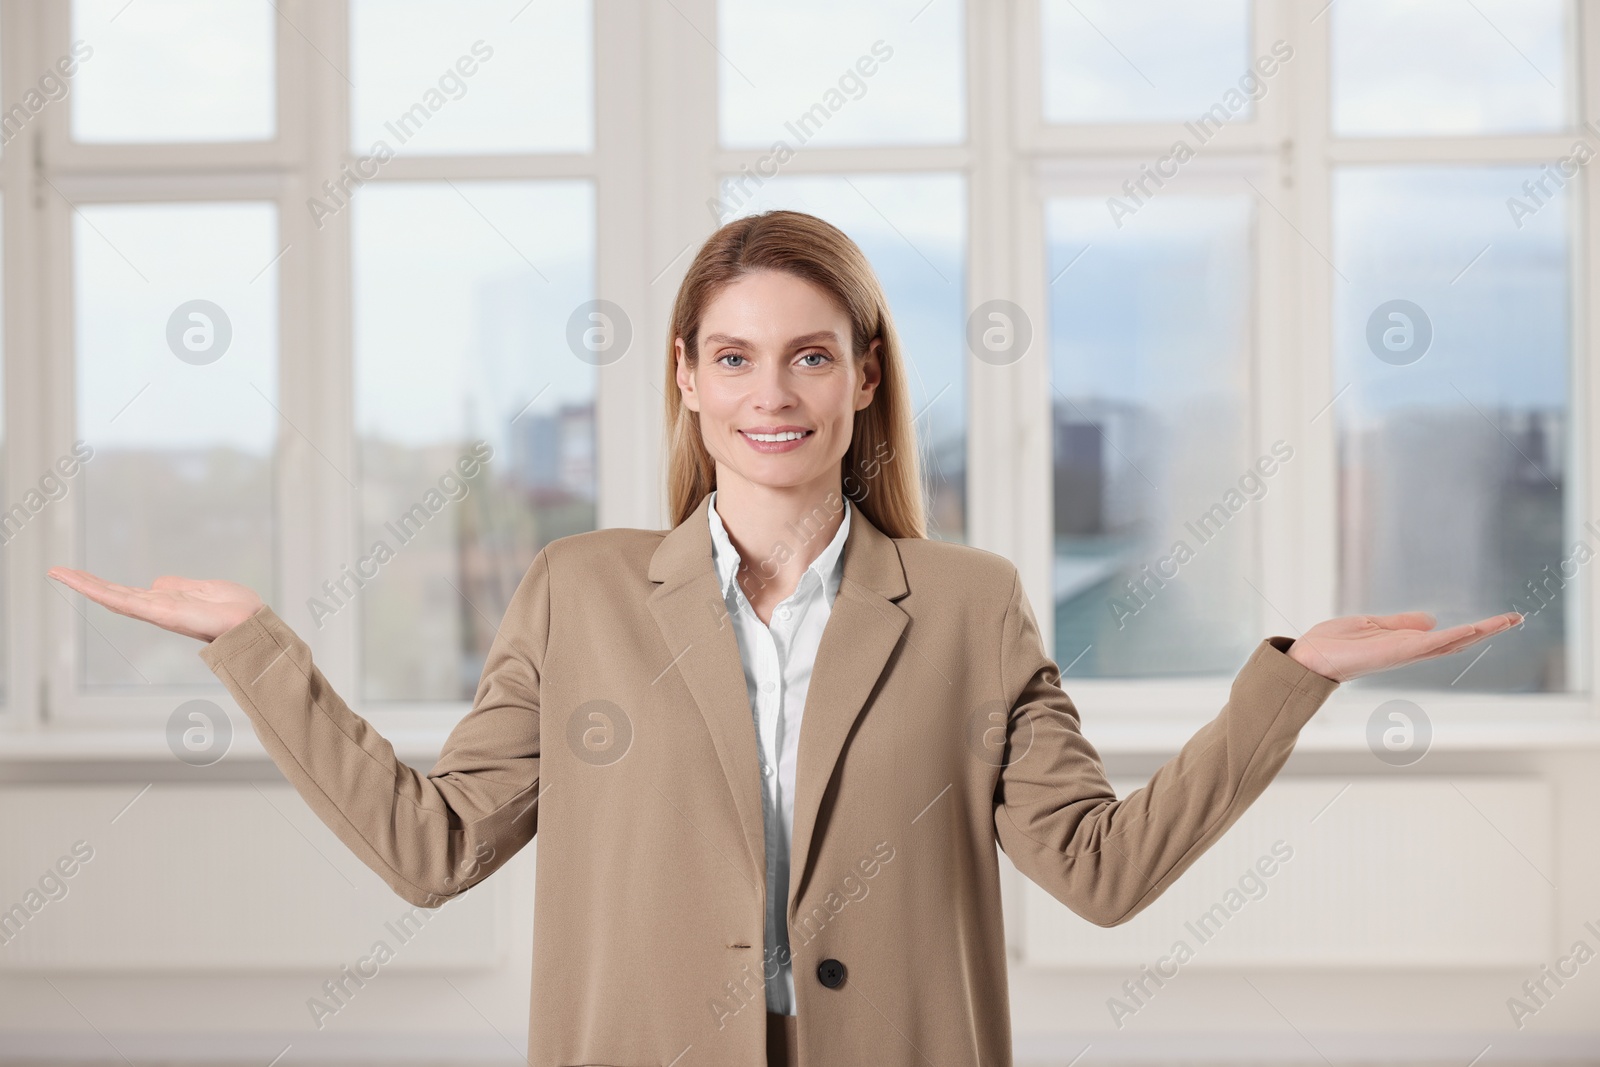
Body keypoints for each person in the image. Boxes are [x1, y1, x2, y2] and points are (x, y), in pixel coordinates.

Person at [47, 210, 1518, 1067]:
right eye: (736, 356)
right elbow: (435, 851)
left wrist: (1290, 684)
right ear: (688, 380)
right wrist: (256, 650)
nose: (775, 392)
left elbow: (1104, 874)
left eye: (812, 355)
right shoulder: (579, 589)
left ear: (864, 379)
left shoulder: (970, 603)